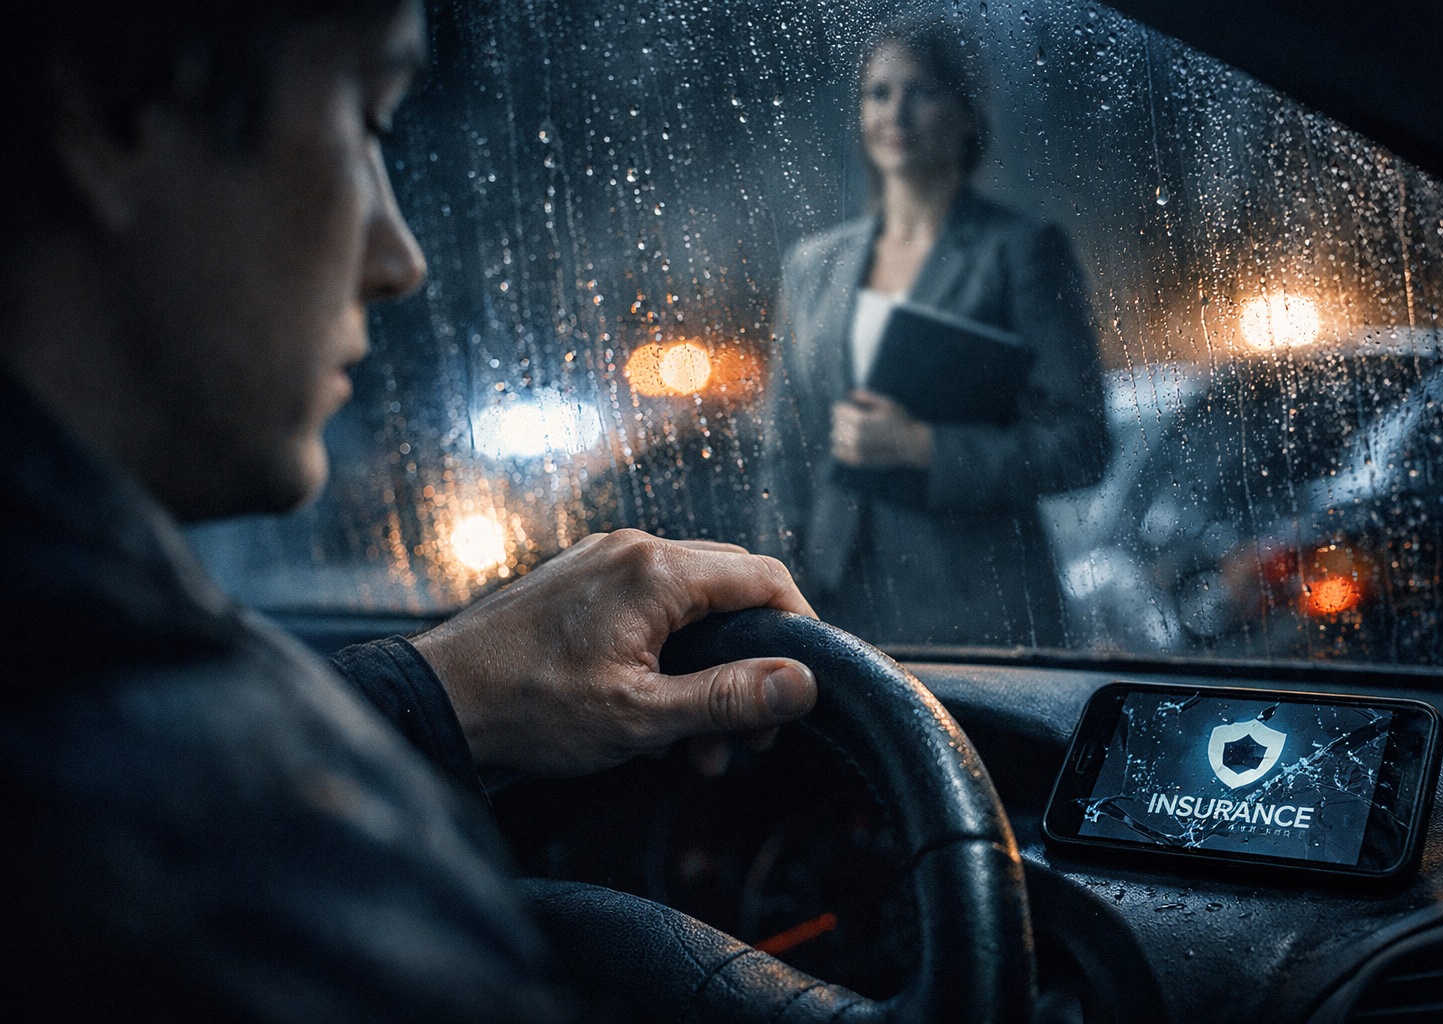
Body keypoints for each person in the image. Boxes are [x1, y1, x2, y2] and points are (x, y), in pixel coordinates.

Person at [0, 1, 818, 1019]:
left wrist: (439, 692)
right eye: (369, 121)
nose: (399, 258)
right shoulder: (256, 909)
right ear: (112, 108)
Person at [761, 18, 1109, 647]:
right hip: (833, 608)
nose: (897, 111)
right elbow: (783, 454)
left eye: (922, 91)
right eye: (878, 92)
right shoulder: (812, 267)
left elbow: (1080, 443)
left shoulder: (1022, 252)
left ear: (966, 111)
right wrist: (772, 601)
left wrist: (926, 446)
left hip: (982, 615)